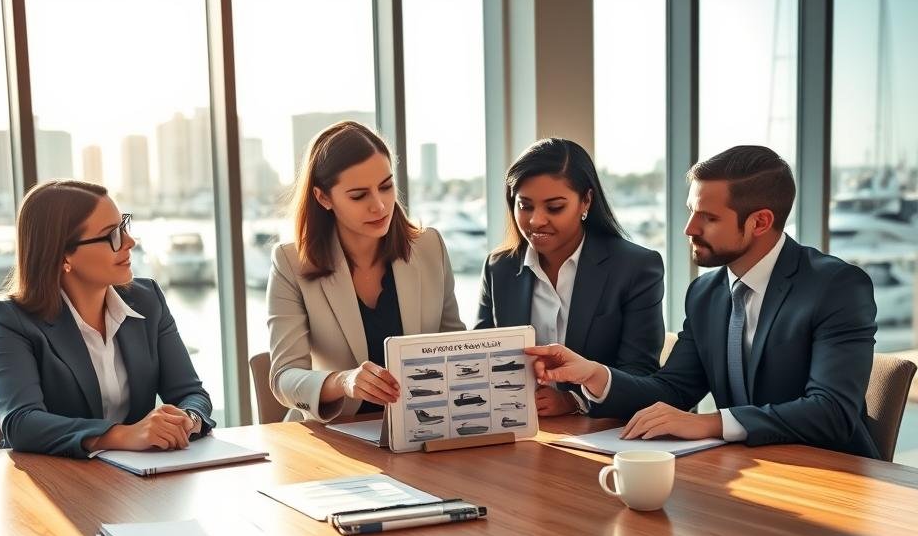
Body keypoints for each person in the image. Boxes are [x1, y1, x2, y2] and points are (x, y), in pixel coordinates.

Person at [526, 145, 879, 458]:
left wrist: (712, 423)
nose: (689, 228)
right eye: (692, 212)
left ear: (760, 222)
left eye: (708, 217)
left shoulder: (836, 287)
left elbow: (831, 411)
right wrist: (595, 375)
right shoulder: (705, 293)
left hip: (832, 476)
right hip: (750, 470)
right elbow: (674, 388)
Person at [0, 180, 215, 458]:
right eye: (112, 235)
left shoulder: (148, 299)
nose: (129, 242)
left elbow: (191, 393)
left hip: (137, 477)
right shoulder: (10, 320)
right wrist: (122, 435)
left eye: (124, 226)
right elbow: (20, 423)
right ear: (62, 254)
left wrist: (187, 420)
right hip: (51, 482)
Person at [267, 120, 465, 422]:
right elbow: (284, 377)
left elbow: (454, 343)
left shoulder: (429, 247)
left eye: (386, 187)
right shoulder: (290, 262)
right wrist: (344, 382)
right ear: (323, 198)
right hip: (335, 432)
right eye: (359, 196)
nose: (380, 206)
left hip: (422, 427)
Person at [476, 138, 664, 416]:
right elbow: (482, 354)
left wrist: (575, 401)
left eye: (554, 208)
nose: (536, 220)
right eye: (525, 206)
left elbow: (640, 374)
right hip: (522, 426)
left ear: (586, 200)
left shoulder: (636, 267)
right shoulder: (499, 267)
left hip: (602, 431)